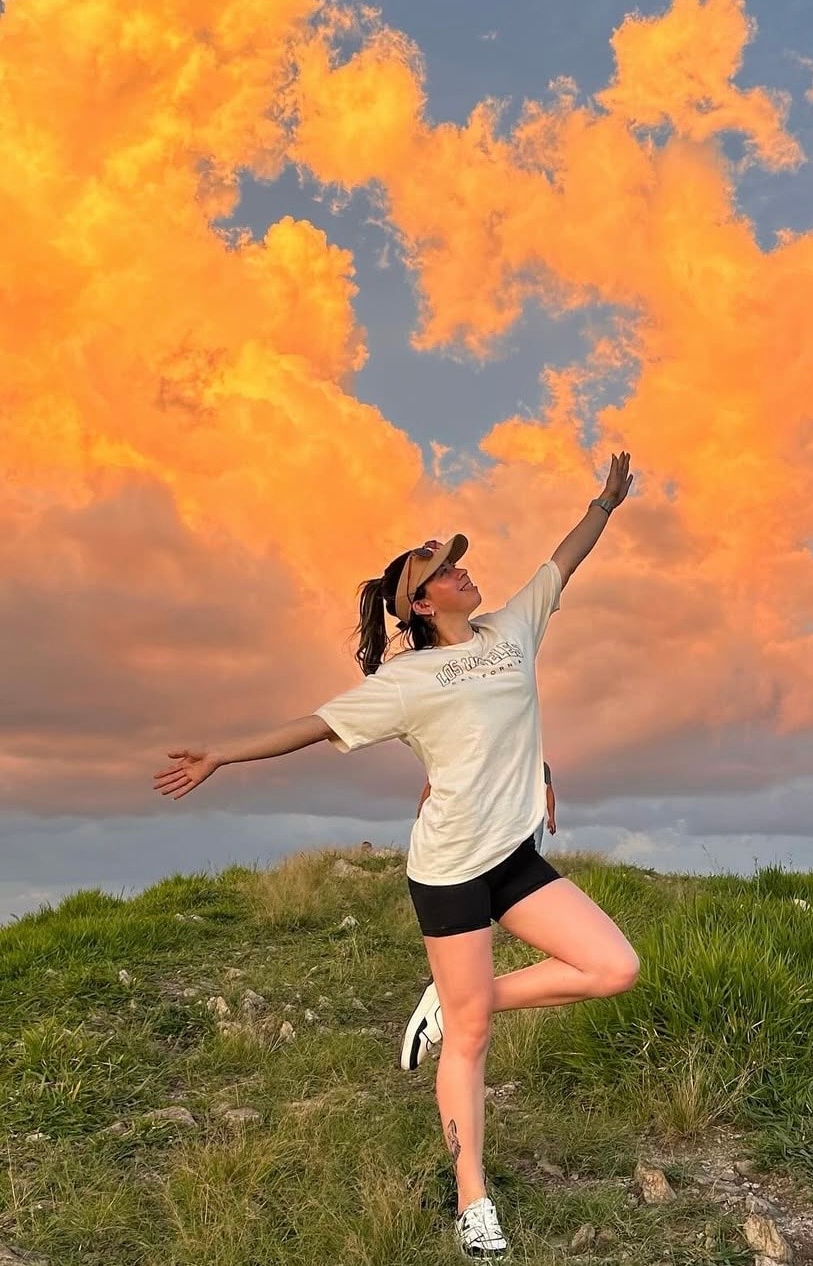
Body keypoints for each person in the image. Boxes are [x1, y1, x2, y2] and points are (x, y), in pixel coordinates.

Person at [154, 453, 639, 1259]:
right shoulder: (405, 678)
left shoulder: (511, 629)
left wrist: (606, 503)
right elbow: (313, 724)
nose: (464, 570)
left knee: (612, 965)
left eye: (458, 560)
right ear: (421, 599)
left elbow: (565, 559)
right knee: (475, 1042)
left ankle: (455, 1000)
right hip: (449, 868)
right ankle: (473, 1199)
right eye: (447, 568)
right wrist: (222, 755)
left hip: (513, 857)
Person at [418, 759, 556, 852]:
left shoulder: (540, 766)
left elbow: (548, 789)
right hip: (506, 815)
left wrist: (551, 817)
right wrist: (421, 811)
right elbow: (430, 785)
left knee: (533, 851)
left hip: (533, 814)